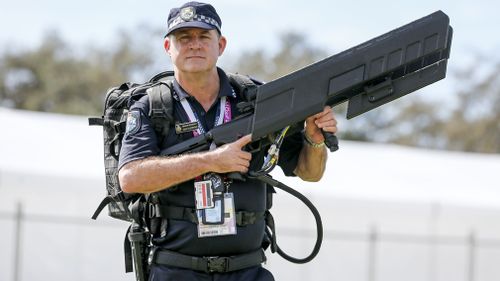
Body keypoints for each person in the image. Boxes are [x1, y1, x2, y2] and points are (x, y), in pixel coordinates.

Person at [117, 1, 337, 280]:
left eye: (203, 36)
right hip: (176, 271)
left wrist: (314, 141)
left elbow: (310, 173)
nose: (194, 45)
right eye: (184, 38)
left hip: (247, 270)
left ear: (220, 45)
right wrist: (211, 161)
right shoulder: (153, 107)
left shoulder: (255, 99)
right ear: (168, 47)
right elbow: (130, 178)